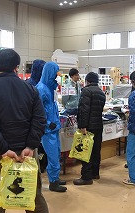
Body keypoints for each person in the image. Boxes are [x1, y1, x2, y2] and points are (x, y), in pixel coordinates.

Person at [0, 49, 49, 212]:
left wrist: (3, 149)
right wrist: (30, 146)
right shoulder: (31, 90)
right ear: (17, 67)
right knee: (33, 197)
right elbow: (40, 120)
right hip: (28, 155)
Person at [36, 62, 67, 192]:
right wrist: (48, 123)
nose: (57, 76)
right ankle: (53, 182)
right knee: (53, 156)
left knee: (57, 154)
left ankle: (55, 177)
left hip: (54, 127)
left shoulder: (50, 88)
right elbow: (37, 111)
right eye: (55, 73)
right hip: (47, 129)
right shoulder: (41, 89)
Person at [73, 72, 106, 185]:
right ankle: (95, 173)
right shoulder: (101, 92)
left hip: (88, 127)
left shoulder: (86, 91)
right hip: (98, 125)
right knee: (96, 150)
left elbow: (84, 110)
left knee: (86, 151)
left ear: (87, 81)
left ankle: (86, 177)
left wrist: (82, 125)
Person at [25, 59, 48, 173]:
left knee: (41, 147)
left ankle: (42, 165)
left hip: (40, 122)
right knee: (36, 147)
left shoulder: (43, 85)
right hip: (32, 123)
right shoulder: (32, 86)